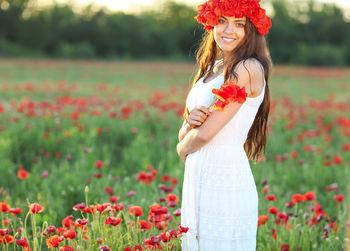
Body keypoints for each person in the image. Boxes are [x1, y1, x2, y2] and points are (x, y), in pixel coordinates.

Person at [176, 0, 272, 250]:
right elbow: (189, 128)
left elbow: (205, 135)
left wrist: (182, 149)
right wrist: (188, 126)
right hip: (199, 175)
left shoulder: (247, 68)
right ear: (211, 24)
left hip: (224, 178)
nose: (229, 30)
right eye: (222, 21)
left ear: (250, 29)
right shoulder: (213, 68)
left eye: (238, 24)